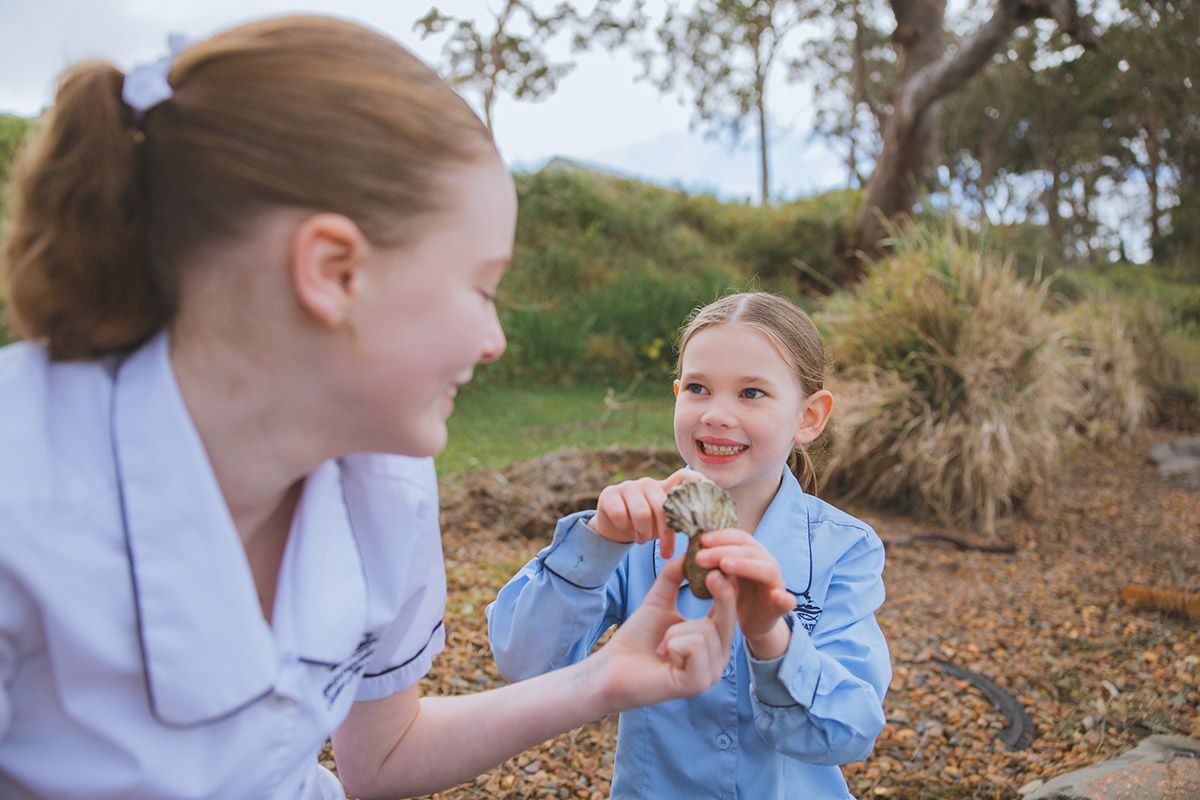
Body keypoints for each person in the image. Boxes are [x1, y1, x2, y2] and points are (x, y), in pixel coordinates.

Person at [0, 16, 741, 800]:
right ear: (334, 271)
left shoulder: (386, 478)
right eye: (482, 287)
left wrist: (604, 678)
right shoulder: (23, 501)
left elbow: (382, 757)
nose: (495, 340)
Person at [488, 292, 892, 799]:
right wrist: (597, 543)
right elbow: (524, 664)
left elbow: (850, 731)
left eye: (752, 393)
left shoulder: (844, 549)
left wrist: (771, 635)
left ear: (809, 417)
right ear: (677, 394)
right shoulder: (634, 536)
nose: (717, 414)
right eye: (698, 388)